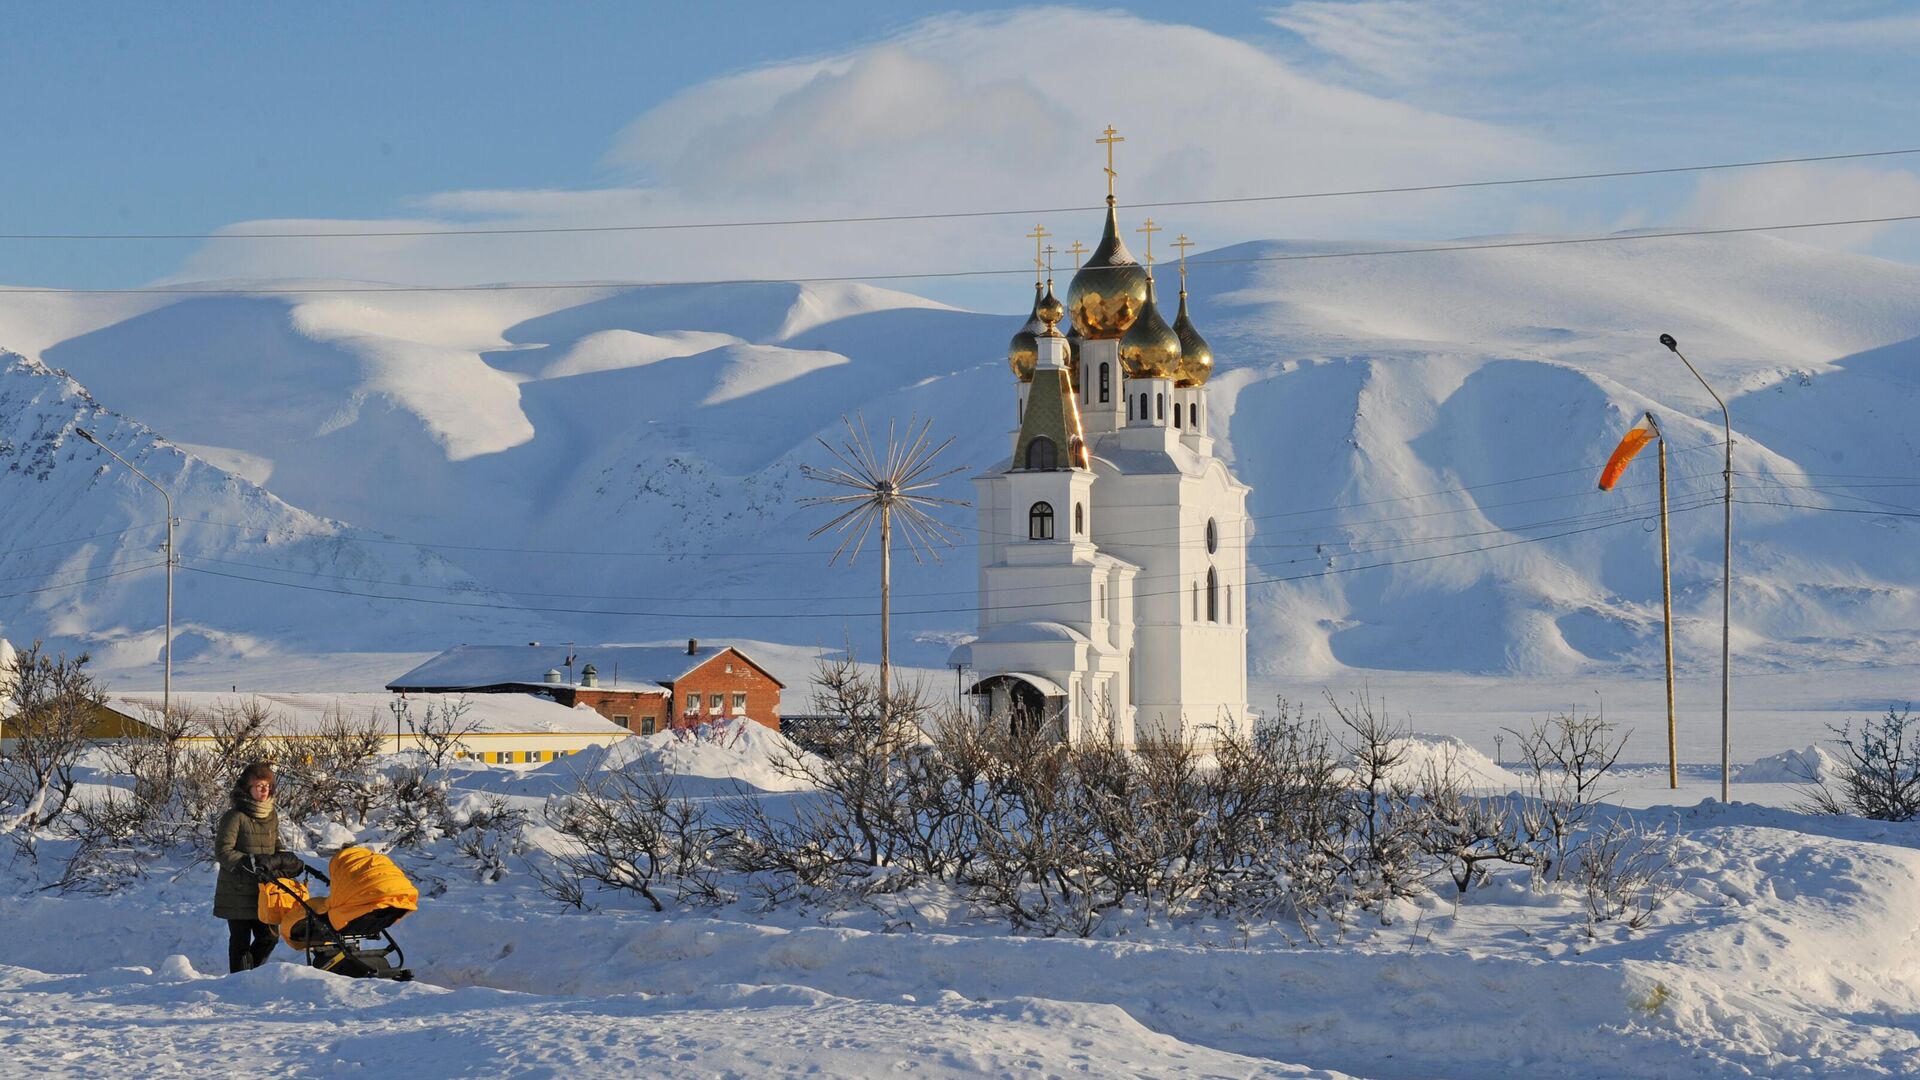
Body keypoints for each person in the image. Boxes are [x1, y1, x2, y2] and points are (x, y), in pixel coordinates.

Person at [213, 760, 290, 972]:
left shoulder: (270, 814)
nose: (264, 790)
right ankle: (238, 982)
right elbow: (223, 851)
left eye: (267, 786)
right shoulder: (235, 816)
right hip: (237, 889)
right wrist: (250, 863)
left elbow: (274, 844)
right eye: (259, 786)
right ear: (248, 788)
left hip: (264, 890)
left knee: (269, 937)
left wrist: (283, 858)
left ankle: (251, 976)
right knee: (240, 942)